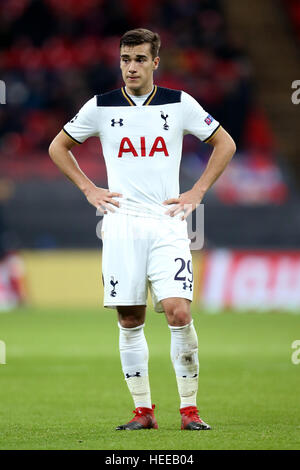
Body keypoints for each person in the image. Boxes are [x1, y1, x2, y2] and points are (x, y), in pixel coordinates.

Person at [49, 28, 236, 431]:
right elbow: (57, 147)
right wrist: (88, 187)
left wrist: (197, 191)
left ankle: (189, 411)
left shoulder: (179, 103)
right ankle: (143, 412)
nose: (130, 67)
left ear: (155, 62)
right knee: (130, 319)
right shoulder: (100, 107)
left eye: (138, 59)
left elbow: (226, 143)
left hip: (167, 224)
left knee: (178, 311)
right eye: (124, 59)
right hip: (120, 226)